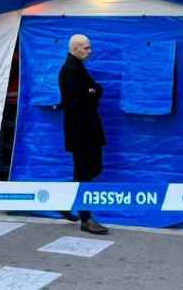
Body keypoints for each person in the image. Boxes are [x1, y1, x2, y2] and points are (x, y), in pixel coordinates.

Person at [58, 34, 108, 235]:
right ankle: (86, 219)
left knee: (88, 170)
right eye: (86, 48)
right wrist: (92, 91)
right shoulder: (70, 70)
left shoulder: (76, 68)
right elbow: (82, 99)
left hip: (85, 130)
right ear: (75, 48)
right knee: (84, 173)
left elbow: (94, 91)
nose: (90, 51)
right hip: (82, 131)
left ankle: (62, 201)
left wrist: (93, 91)